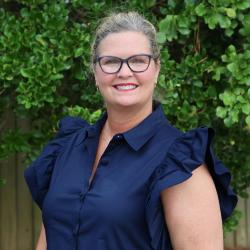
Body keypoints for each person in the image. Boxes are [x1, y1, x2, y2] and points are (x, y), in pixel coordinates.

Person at [24, 11, 237, 250]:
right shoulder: (67, 148)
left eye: (138, 60)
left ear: (156, 69)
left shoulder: (180, 162)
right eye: (111, 61)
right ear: (95, 72)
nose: (124, 72)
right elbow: (49, 235)